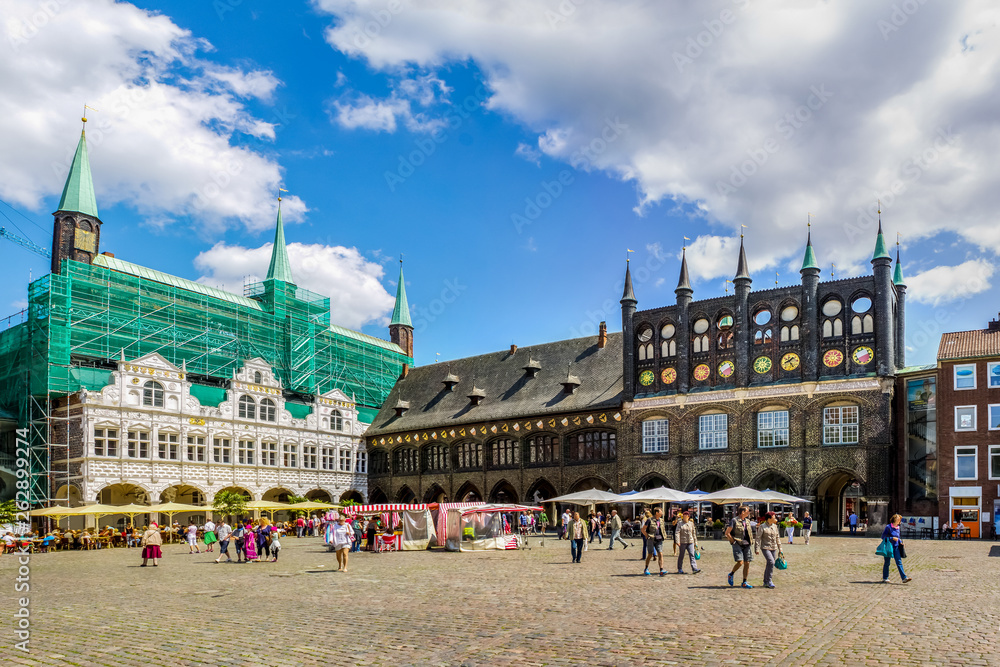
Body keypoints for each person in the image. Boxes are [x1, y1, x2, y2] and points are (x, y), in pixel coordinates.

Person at [724, 505, 756, 589]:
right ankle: (731, 574)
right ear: (742, 512)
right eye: (747, 511)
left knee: (747, 562)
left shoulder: (747, 521)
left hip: (747, 544)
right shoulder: (734, 520)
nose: (749, 512)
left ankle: (744, 582)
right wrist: (733, 541)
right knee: (740, 562)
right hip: (737, 543)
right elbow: (727, 533)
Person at [881, 514, 912, 583]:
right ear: (896, 520)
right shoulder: (888, 527)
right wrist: (892, 538)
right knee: (887, 563)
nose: (900, 521)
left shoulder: (898, 528)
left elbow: (898, 537)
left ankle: (904, 578)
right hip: (888, 547)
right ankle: (885, 577)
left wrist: (900, 542)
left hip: (896, 547)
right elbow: (883, 537)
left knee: (899, 562)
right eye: (899, 519)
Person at [756, 512, 782, 589]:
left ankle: (766, 581)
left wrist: (780, 548)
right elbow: (758, 538)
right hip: (765, 547)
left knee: (770, 564)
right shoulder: (762, 526)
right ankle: (769, 581)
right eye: (774, 516)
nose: (775, 518)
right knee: (771, 562)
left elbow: (777, 537)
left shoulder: (775, 526)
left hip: (774, 547)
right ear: (769, 518)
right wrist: (756, 548)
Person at [642, 507, 669, 576]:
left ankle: (661, 570)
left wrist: (664, 536)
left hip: (659, 539)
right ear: (657, 513)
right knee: (650, 554)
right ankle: (646, 568)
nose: (662, 513)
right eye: (661, 511)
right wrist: (647, 535)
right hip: (651, 539)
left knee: (660, 554)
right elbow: (643, 529)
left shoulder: (661, 520)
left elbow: (662, 529)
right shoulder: (649, 520)